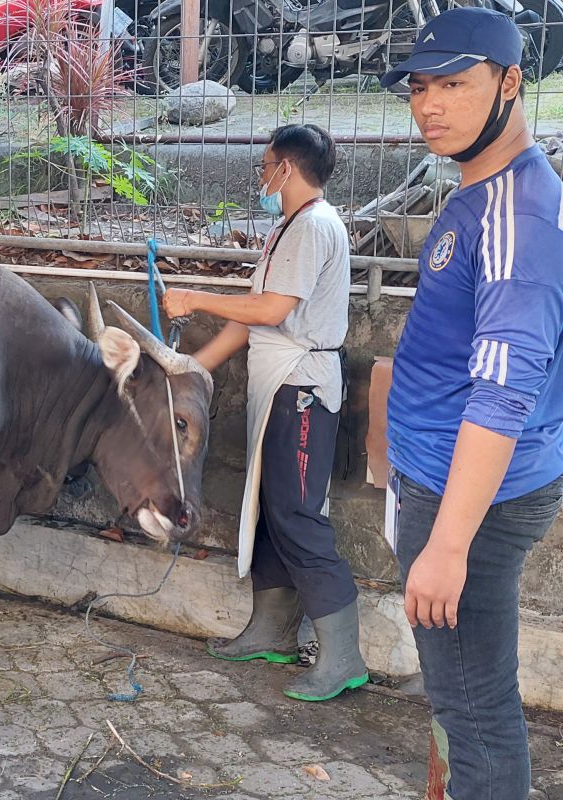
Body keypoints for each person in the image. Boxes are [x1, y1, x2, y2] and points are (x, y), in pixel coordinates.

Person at [379, 8, 563, 798]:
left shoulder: (516, 214)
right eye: (420, 87)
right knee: (465, 703)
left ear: (511, 83)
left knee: (474, 709)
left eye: (455, 83)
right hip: (450, 480)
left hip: (471, 498)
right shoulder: (485, 193)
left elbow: (505, 385)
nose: (430, 105)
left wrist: (448, 544)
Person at [162, 123, 367, 702]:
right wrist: (191, 369)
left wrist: (195, 296)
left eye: (265, 164)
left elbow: (273, 308)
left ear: (287, 167)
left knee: (298, 515)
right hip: (279, 383)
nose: (260, 174)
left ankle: (344, 658)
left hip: (300, 389)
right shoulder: (289, 228)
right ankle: (272, 631)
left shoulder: (313, 226)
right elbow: (250, 320)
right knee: (272, 510)